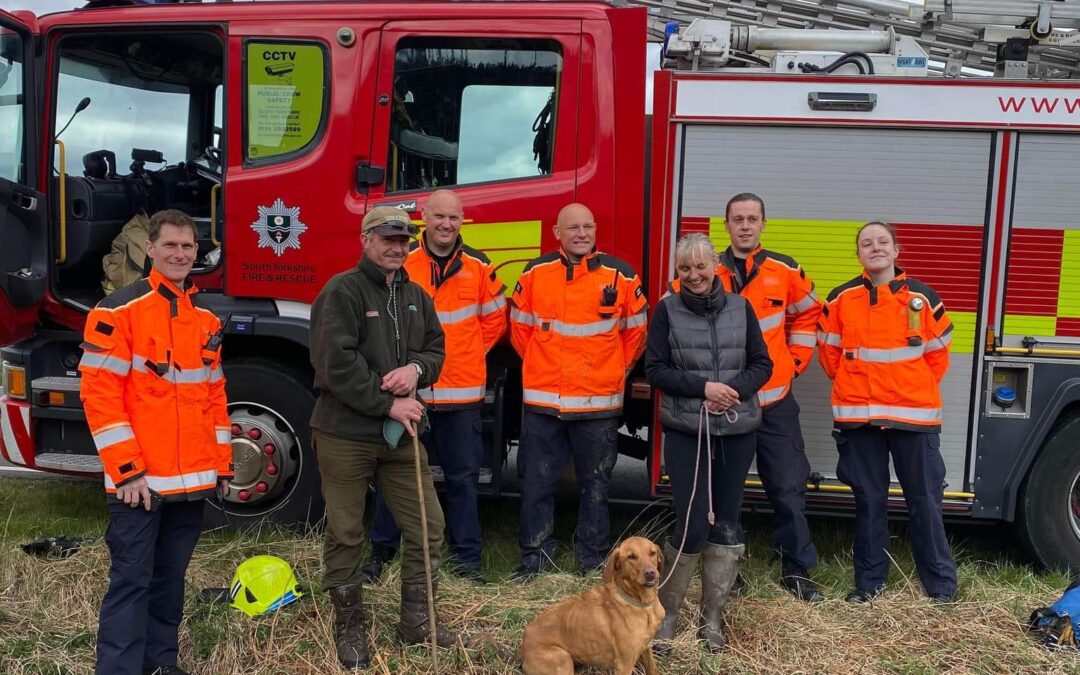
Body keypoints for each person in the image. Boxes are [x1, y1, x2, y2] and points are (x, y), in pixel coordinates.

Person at [80, 209, 234, 675]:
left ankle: (161, 664)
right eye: (171, 245)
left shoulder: (205, 320)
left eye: (188, 247)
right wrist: (127, 470)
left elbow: (215, 396)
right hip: (140, 483)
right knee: (131, 580)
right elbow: (100, 398)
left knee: (170, 579)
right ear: (150, 249)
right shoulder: (116, 312)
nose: (181, 254)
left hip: (192, 481)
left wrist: (222, 465)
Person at [309, 206, 456, 669]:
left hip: (400, 435)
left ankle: (416, 621)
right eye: (388, 239)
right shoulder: (343, 291)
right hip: (344, 433)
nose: (398, 247)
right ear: (365, 239)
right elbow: (335, 366)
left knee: (429, 529)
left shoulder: (415, 295)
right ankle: (349, 628)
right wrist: (387, 402)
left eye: (404, 240)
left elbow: (435, 348)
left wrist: (416, 369)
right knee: (347, 532)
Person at [362, 189, 507, 586]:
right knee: (396, 475)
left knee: (463, 480)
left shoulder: (479, 266)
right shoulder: (403, 261)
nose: (446, 225)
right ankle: (382, 551)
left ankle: (467, 561)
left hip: (462, 395)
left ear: (463, 221)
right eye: (439, 217)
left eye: (454, 218)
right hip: (411, 394)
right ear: (424, 218)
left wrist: (467, 352)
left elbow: (496, 319)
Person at [645, 232, 772, 654]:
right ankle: (667, 616)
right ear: (677, 272)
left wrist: (731, 391)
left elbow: (762, 364)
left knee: (727, 523)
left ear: (715, 266)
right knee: (692, 523)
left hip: (737, 430)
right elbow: (656, 370)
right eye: (685, 268)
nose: (694, 275)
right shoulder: (666, 311)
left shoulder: (742, 307)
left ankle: (712, 617)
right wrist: (705, 388)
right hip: (687, 430)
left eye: (701, 266)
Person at [817, 220, 957, 604]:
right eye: (866, 243)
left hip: (914, 417)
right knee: (870, 501)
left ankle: (941, 588)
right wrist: (856, 384)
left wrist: (909, 386)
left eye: (882, 242)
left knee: (925, 501)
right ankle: (869, 586)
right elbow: (829, 355)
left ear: (896, 251)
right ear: (859, 254)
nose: (875, 248)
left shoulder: (922, 298)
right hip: (859, 419)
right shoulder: (841, 299)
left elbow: (938, 354)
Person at [509, 202, 649, 581]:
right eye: (573, 228)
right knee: (536, 483)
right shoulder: (535, 273)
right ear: (557, 232)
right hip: (543, 403)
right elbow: (520, 330)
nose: (581, 233)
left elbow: (636, 332)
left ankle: (592, 560)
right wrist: (541, 366)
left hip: (597, 403)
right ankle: (534, 558)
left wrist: (615, 368)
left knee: (596, 486)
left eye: (588, 226)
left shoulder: (620, 275)